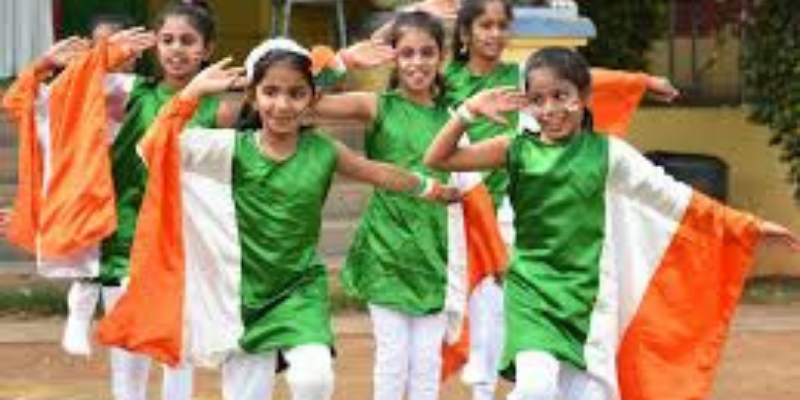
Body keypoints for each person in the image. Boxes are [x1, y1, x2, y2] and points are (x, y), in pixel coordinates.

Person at [424, 46, 799, 400]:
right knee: (536, 388)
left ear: (585, 97)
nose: (550, 109)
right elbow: (438, 159)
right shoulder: (516, 149)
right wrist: (468, 111)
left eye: (561, 95)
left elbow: (672, 197)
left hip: (590, 300)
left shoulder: (609, 154)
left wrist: (747, 225)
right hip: (531, 293)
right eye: (538, 99)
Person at [97, 37, 458, 400]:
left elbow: (377, 171)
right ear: (253, 97)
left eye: (296, 94)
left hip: (299, 290)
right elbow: (152, 149)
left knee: (314, 379)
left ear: (311, 99)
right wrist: (192, 92)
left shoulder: (323, 150)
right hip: (242, 298)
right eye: (270, 92)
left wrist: (429, 188)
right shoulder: (229, 149)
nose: (282, 105)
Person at [2, 2, 230, 399]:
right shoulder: (129, 93)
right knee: (129, 359)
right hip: (127, 239)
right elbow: (46, 103)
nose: (177, 49)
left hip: (184, 240)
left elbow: (281, 107)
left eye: (188, 41)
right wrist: (46, 64)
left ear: (207, 49)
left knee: (178, 351)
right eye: (168, 40)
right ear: (154, 46)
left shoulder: (221, 107)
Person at [311, 11, 460, 400]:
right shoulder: (376, 105)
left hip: (439, 251)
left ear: (441, 56)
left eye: (427, 52)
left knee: (427, 365)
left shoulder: (455, 112)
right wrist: (345, 60)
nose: (417, 62)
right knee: (393, 362)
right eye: (407, 53)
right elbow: (307, 100)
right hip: (386, 250)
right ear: (393, 57)